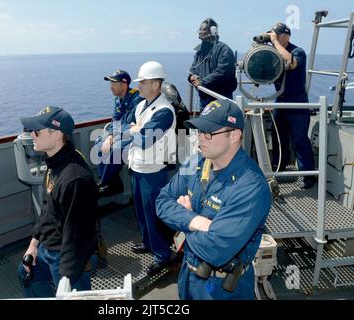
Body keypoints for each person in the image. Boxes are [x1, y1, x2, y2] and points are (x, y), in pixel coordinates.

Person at [156, 99, 271, 299]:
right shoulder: (196, 162)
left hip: (222, 288)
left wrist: (182, 220)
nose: (201, 139)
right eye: (199, 132)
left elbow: (215, 248)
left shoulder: (251, 187)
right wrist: (196, 221)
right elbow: (162, 201)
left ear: (234, 135)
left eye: (209, 133)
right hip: (188, 275)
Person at [17, 106, 98, 297]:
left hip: (67, 255)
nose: (32, 135)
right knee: (25, 274)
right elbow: (48, 207)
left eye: (37, 131)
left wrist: (66, 280)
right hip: (48, 246)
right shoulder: (54, 162)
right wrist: (34, 244)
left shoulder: (75, 179)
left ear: (56, 134)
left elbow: (77, 235)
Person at [128, 61, 177, 276]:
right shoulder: (140, 105)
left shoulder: (164, 111)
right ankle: (148, 242)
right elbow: (129, 126)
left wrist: (136, 130)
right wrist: (136, 129)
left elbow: (146, 139)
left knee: (153, 214)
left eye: (143, 82)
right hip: (137, 166)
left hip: (153, 171)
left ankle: (162, 256)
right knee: (140, 211)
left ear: (156, 84)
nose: (139, 86)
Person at [267, 22, 316, 189]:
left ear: (286, 36)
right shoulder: (274, 52)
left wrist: (274, 43)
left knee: (299, 140)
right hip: (280, 102)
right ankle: (279, 169)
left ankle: (308, 176)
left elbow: (291, 62)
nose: (274, 38)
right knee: (278, 138)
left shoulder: (298, 52)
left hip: (297, 104)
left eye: (276, 35)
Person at [97, 70, 143, 196]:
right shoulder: (118, 99)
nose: (111, 87)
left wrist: (116, 136)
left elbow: (133, 123)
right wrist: (110, 136)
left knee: (117, 149)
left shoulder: (137, 98)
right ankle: (111, 182)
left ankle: (104, 183)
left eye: (114, 83)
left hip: (136, 133)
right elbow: (116, 120)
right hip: (121, 131)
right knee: (99, 142)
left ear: (124, 85)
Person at [189, 18, 237, 110]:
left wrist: (203, 82)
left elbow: (223, 72)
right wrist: (191, 76)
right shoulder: (200, 51)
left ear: (213, 31)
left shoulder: (224, 50)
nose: (199, 32)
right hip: (204, 100)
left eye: (203, 29)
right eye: (199, 29)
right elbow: (193, 69)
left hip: (220, 100)